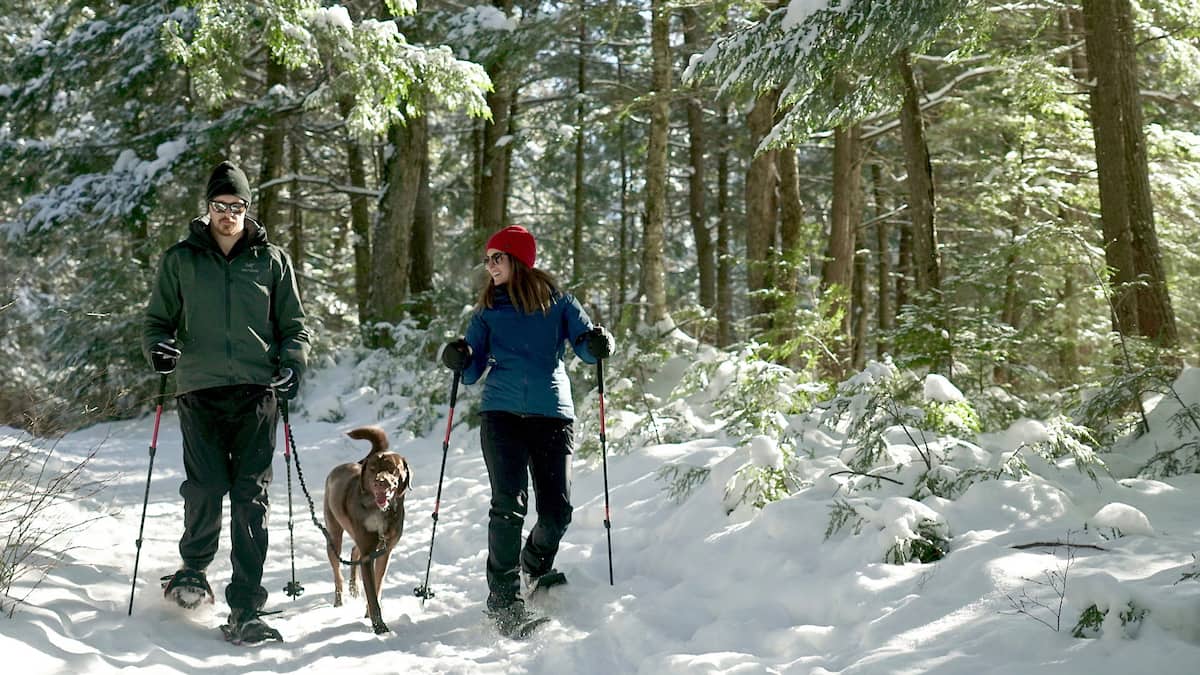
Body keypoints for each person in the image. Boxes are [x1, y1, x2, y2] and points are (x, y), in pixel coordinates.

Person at [142, 160, 309, 645]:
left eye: (237, 206)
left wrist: (292, 363)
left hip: (258, 393)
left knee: (250, 497)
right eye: (220, 206)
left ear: (247, 209)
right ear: (208, 208)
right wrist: (159, 349)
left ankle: (246, 606)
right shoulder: (181, 259)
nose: (228, 214)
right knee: (207, 484)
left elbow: (294, 324)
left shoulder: (272, 260)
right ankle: (193, 569)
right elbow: (157, 322)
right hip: (199, 389)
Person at [440, 224, 615, 636]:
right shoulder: (486, 312)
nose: (490, 266)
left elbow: (586, 349)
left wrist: (598, 342)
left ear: (518, 259)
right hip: (501, 415)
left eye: (496, 257)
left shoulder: (560, 304)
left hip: (552, 414)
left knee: (557, 511)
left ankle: (534, 565)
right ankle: (503, 601)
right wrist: (459, 356)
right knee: (508, 505)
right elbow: (471, 371)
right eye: (487, 259)